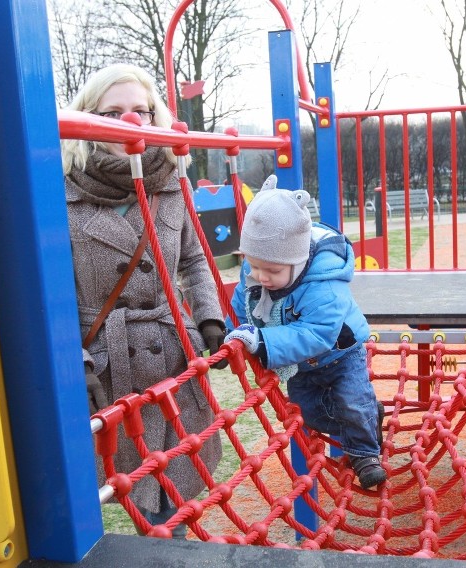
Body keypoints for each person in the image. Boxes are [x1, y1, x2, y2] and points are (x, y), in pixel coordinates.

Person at [61, 63, 225, 537]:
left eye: (141, 110)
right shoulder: (60, 191)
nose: (130, 122)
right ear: (88, 118)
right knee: (99, 487)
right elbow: (50, 296)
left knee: (171, 490)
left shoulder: (171, 181)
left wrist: (209, 318)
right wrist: (75, 362)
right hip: (105, 362)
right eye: (113, 112)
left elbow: (194, 259)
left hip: (171, 353)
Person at [225, 175, 386, 489]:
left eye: (272, 271)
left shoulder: (322, 284)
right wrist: (233, 334)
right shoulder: (258, 267)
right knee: (307, 413)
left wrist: (261, 341)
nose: (261, 277)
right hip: (299, 364)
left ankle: (365, 454)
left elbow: (317, 334)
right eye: (253, 267)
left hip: (340, 353)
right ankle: (367, 419)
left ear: (298, 262)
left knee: (352, 402)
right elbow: (243, 302)